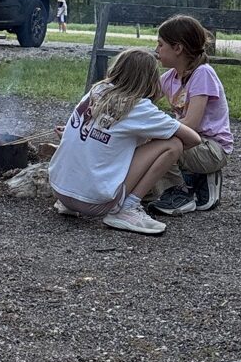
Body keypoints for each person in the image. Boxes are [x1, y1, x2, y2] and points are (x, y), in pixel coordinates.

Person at [49, 48, 202, 235]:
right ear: (150, 79)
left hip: (60, 190)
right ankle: (127, 208)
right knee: (173, 144)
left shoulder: (97, 90)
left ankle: (72, 202)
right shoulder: (138, 107)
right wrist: (154, 141)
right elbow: (194, 139)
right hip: (93, 202)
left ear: (117, 68)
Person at [147, 15, 233, 215]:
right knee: (146, 140)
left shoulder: (202, 74)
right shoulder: (170, 77)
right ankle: (193, 181)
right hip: (191, 143)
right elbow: (144, 100)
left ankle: (181, 193)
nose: (156, 50)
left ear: (178, 48)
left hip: (211, 148)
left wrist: (152, 130)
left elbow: (191, 123)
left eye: (160, 44)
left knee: (160, 144)